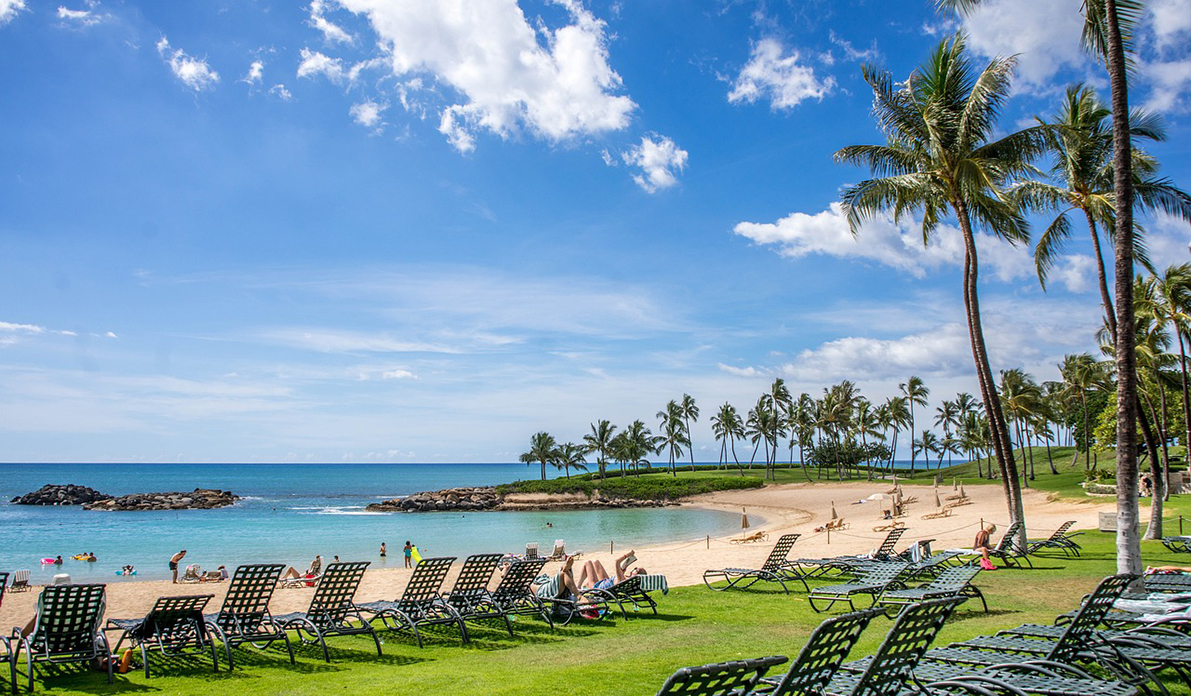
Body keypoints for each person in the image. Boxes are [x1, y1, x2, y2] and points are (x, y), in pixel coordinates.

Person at [577, 550, 646, 590]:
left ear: (636, 574)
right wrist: (626, 565)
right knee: (595, 562)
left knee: (587, 563)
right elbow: (620, 572)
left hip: (598, 588)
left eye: (636, 569)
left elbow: (617, 562)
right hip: (606, 582)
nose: (634, 569)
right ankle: (581, 585)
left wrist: (627, 555)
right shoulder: (627, 580)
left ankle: (578, 586)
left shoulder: (622, 579)